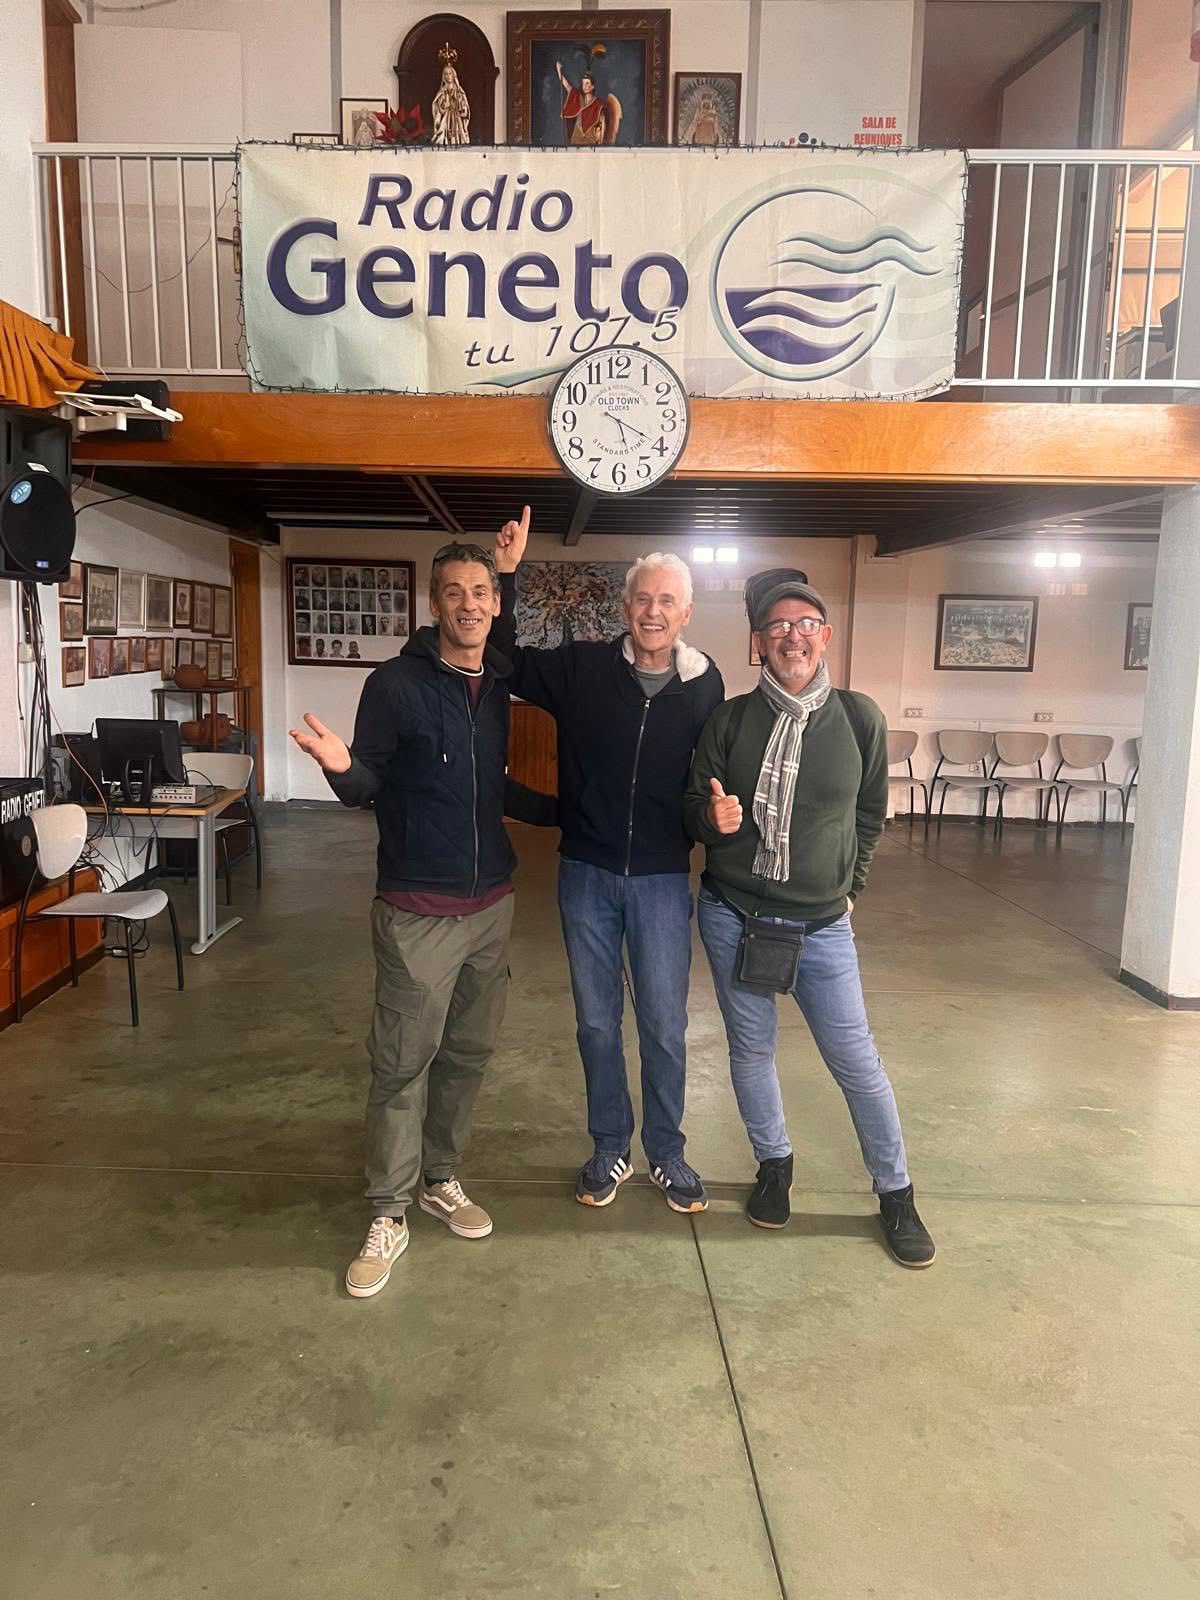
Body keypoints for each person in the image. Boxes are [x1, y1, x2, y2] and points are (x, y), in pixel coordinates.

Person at [290, 537, 555, 1299]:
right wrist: (342, 767)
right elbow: (368, 782)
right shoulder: (396, 685)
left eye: (482, 591)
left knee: (467, 1055)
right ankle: (388, 1211)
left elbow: (490, 785)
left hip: (492, 905)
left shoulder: (495, 684)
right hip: (417, 912)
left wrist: (573, 811)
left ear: (494, 604)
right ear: (434, 603)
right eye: (455, 592)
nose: (469, 604)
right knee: (402, 1065)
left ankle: (441, 1178)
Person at [683, 568, 935, 1267]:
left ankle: (896, 1194)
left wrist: (851, 889)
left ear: (825, 636)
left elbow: (871, 814)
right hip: (735, 915)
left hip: (822, 926)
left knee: (855, 1062)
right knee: (751, 1050)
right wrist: (710, 817)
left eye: (805, 625)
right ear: (758, 643)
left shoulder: (859, 718)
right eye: (776, 627)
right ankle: (775, 1167)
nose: (791, 637)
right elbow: (692, 804)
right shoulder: (730, 720)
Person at [491, 511, 724, 1213]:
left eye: (667, 601)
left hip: (661, 879)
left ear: (685, 613)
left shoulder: (704, 686)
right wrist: (507, 575)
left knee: (664, 1025)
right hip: (586, 874)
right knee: (596, 1023)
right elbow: (507, 660)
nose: (653, 612)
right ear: (626, 607)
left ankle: (668, 1153)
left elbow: (708, 781)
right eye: (642, 599)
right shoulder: (584, 668)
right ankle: (609, 1146)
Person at [555, 61, 620, 145]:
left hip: (591, 137)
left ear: (592, 86)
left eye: (587, 83)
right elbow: (567, 85)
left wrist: (600, 136)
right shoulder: (578, 98)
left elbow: (602, 123)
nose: (584, 86)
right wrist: (559, 70)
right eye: (583, 83)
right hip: (577, 136)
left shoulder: (598, 103)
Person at [432, 51, 471, 146]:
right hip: (445, 120)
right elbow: (437, 109)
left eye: (450, 73)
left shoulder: (459, 91)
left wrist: (461, 106)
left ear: (454, 75)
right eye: (446, 74)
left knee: (457, 136)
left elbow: (465, 108)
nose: (448, 76)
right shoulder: (442, 92)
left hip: (457, 120)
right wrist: (444, 106)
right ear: (443, 76)